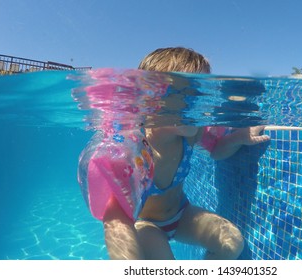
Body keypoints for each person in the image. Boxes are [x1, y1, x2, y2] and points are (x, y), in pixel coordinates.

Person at [79, 47, 270, 259]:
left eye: (200, 92)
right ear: (150, 96)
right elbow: (116, 219)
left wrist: (238, 138)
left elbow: (216, 151)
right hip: (147, 225)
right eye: (184, 92)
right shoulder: (132, 148)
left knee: (232, 242)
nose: (195, 104)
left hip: (182, 214)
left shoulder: (193, 133)